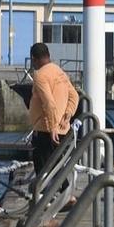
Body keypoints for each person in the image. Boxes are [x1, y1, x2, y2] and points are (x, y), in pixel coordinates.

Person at [26, 41, 78, 180]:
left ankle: (45, 196)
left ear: (34, 59)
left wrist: (53, 127)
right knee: (56, 164)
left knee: (42, 164)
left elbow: (49, 103)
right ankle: (64, 194)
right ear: (48, 55)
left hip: (46, 129)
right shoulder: (58, 71)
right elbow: (74, 96)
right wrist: (68, 113)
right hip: (62, 126)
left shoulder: (40, 75)